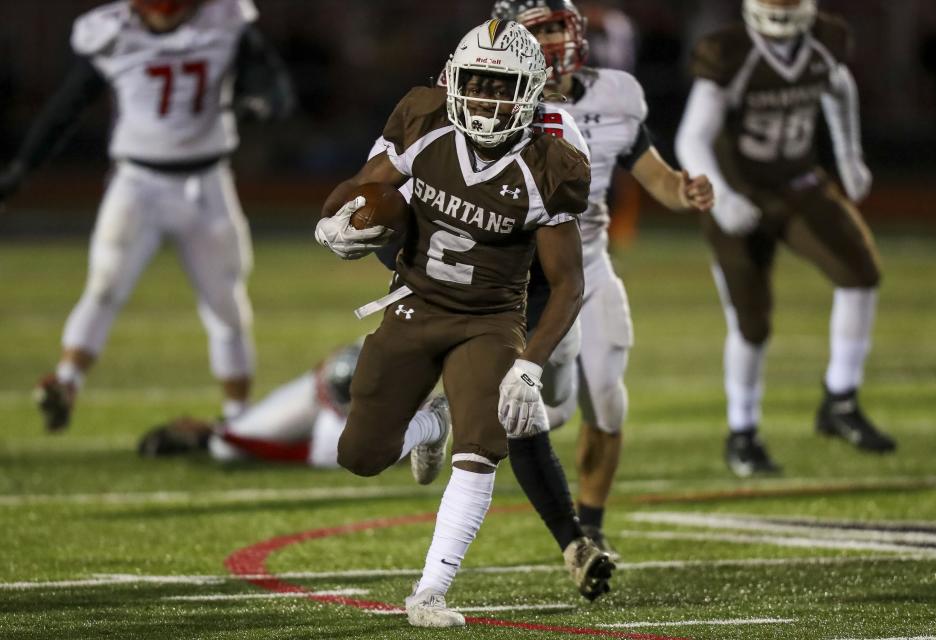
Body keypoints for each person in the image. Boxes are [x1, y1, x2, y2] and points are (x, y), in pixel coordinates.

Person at [314, 19, 600, 628]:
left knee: (483, 447)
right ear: (454, 79)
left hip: (490, 318)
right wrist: (335, 225)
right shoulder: (424, 121)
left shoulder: (550, 164)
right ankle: (427, 427)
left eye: (502, 86)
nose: (488, 98)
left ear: (528, 92)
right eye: (477, 82)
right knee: (360, 454)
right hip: (415, 303)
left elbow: (570, 284)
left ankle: (430, 591)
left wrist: (528, 365)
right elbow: (363, 191)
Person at [0, 0, 294, 431]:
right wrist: (21, 168)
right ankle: (66, 382)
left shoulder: (226, 21)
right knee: (103, 287)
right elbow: (67, 107)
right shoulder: (114, 31)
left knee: (226, 305)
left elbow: (274, 85)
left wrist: (261, 102)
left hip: (206, 183)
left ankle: (237, 418)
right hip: (137, 185)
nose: (165, 17)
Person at [492, 0, 715, 560]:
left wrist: (683, 192)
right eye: (533, 30)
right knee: (550, 409)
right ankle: (435, 413)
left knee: (608, 401)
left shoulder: (615, 96)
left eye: (552, 27)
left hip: (587, 265)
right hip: (517, 276)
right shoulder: (491, 95)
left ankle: (590, 526)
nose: (546, 41)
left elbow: (655, 176)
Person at [675, 0, 896, 477]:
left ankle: (841, 398)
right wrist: (722, 198)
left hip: (797, 182)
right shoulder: (730, 52)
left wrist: (849, 155)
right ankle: (743, 432)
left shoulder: (822, 41)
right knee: (751, 322)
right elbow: (691, 138)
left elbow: (839, 86)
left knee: (861, 273)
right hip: (740, 192)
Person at [136, 342, 453, 482]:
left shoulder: (342, 432)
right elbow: (345, 353)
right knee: (230, 442)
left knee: (226, 448)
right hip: (319, 394)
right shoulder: (334, 390)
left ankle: (213, 435)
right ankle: (209, 432)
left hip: (367, 415)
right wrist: (227, 434)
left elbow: (292, 454)